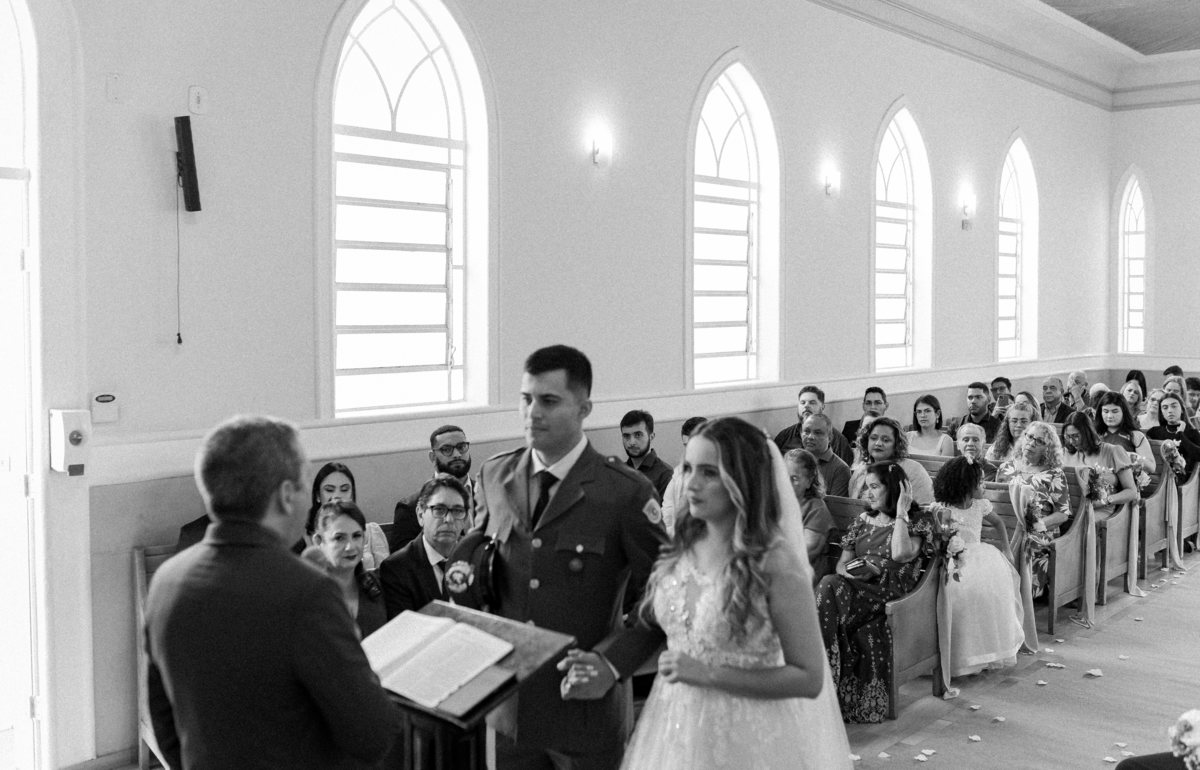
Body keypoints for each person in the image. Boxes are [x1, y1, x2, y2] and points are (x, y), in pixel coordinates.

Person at [145, 415, 398, 769]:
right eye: (304, 483)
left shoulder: (167, 581)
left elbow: (164, 719)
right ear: (285, 495)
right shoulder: (308, 592)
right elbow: (372, 734)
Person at [470, 345, 668, 768]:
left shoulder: (624, 492)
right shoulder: (496, 475)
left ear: (584, 409)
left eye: (548, 401)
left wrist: (611, 663)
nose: (532, 413)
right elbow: (479, 569)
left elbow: (666, 594)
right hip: (511, 712)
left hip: (584, 709)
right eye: (526, 399)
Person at [621, 418, 852, 769]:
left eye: (709, 473)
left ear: (742, 479)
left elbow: (808, 677)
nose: (691, 484)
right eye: (688, 468)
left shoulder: (775, 563)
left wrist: (707, 674)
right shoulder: (684, 543)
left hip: (747, 733)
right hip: (676, 720)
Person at [817, 461, 931, 723]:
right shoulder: (862, 521)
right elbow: (841, 565)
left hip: (889, 593)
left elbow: (901, 554)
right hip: (857, 588)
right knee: (830, 582)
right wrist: (856, 572)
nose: (867, 494)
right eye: (866, 487)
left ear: (894, 489)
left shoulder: (916, 521)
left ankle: (820, 673)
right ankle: (824, 670)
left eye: (874, 487)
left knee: (828, 586)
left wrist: (901, 512)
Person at [930, 456, 1022, 692]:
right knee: (959, 596)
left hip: (981, 558)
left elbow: (999, 524)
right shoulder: (944, 508)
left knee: (989, 596)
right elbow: (938, 536)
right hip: (954, 560)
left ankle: (985, 652)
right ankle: (958, 655)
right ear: (964, 484)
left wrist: (1006, 548)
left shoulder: (980, 505)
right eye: (980, 482)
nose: (985, 485)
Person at [996, 422, 1071, 598]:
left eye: (1039, 441)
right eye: (1029, 437)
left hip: (1038, 530)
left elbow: (1063, 514)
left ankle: (1018, 595)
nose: (1031, 443)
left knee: (1028, 545)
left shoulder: (1054, 474)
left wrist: (1036, 525)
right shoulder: (1006, 468)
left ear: (1048, 449)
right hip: (1007, 527)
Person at [379, 475, 469, 619]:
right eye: (439, 510)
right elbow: (405, 629)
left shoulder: (475, 557)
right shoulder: (397, 569)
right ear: (420, 514)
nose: (449, 519)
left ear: (465, 519)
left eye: (457, 511)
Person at [307, 500, 388, 638]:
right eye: (339, 538)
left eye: (356, 536)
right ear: (319, 541)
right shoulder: (308, 595)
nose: (350, 547)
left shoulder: (378, 586)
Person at [391, 425, 477, 551]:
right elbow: (403, 559)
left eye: (461, 447)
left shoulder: (490, 495)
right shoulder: (409, 507)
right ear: (432, 457)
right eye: (447, 449)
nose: (457, 454)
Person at [306, 461, 389, 571]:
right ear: (317, 495)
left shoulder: (371, 531)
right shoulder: (303, 538)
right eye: (329, 490)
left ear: (352, 494)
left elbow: (385, 574)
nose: (337, 496)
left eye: (344, 490)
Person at [1061, 412, 1139, 518]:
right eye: (1068, 436)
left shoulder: (1112, 451)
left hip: (1100, 509)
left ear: (1087, 433)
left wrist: (1106, 500)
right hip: (1071, 509)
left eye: (1076, 436)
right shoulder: (1065, 453)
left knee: (1082, 522)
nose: (1071, 441)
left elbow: (1131, 491)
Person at [848, 417, 935, 504]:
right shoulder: (860, 472)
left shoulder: (913, 470)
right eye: (873, 438)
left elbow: (925, 507)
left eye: (886, 440)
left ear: (896, 444)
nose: (878, 443)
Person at [784, 448, 834, 580]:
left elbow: (808, 550)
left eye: (794, 478)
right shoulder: (777, 504)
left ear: (809, 481)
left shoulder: (816, 509)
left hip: (804, 575)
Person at [773, 385, 854, 465]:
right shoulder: (784, 436)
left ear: (822, 407)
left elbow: (845, 470)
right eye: (802, 403)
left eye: (812, 403)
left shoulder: (838, 440)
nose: (806, 406)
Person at [660, 416, 708, 536]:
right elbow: (667, 512)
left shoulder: (722, 472)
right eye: (686, 445)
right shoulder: (678, 473)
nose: (689, 451)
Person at [1094, 391, 1155, 476]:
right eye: (1106, 411)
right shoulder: (1094, 435)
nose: (1110, 416)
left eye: (1115, 411)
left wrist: (1130, 456)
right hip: (1099, 479)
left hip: (1127, 479)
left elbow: (1151, 467)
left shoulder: (1135, 435)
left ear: (1124, 412)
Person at [620, 409, 674, 500]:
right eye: (626, 436)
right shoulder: (619, 470)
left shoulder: (665, 473)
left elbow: (666, 509)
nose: (631, 442)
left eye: (638, 435)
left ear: (651, 437)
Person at [1147, 392, 1200, 479]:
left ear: (1182, 409)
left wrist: (1180, 433)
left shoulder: (1192, 432)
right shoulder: (1154, 432)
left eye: (1174, 406)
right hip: (1159, 477)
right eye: (1165, 408)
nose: (1170, 410)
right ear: (1161, 412)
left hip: (1184, 479)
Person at [800, 413, 852, 497]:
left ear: (830, 437)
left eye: (817, 433)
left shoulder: (840, 469)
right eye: (807, 431)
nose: (810, 437)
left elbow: (834, 504)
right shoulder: (794, 461)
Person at [986, 401, 1035, 466]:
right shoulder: (997, 446)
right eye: (1014, 421)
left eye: (1024, 421)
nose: (1019, 425)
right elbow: (987, 467)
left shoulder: (1037, 447)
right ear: (1008, 423)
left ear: (1032, 423)